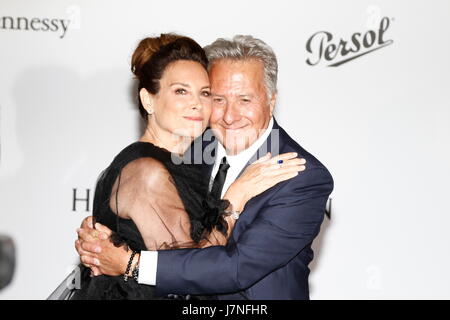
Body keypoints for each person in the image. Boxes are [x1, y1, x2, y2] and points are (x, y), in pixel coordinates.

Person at [77, 35, 333, 300]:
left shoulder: (301, 177)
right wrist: (102, 233)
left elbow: (236, 268)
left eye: (245, 100)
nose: (230, 116)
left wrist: (129, 263)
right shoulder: (189, 145)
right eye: (218, 99)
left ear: (271, 100)